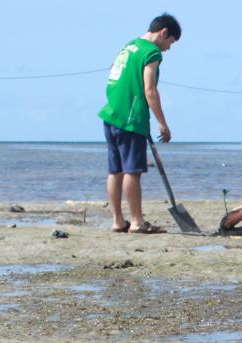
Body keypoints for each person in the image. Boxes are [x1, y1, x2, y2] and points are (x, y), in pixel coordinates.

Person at [98, 13, 181, 234]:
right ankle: (136, 222)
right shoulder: (150, 52)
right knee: (132, 171)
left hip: (111, 114)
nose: (168, 48)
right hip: (131, 118)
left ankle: (117, 221)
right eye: (170, 42)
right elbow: (150, 90)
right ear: (164, 33)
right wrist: (163, 124)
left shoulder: (129, 46)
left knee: (115, 171)